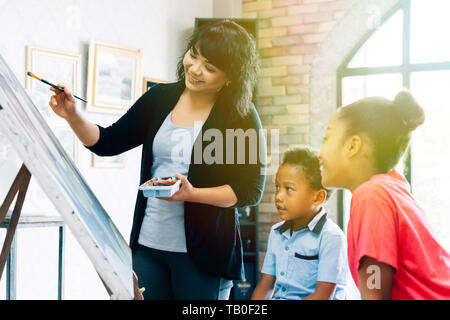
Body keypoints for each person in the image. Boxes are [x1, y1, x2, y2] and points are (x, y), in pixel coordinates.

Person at [48, 20, 266, 300]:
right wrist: (72, 116)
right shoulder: (160, 98)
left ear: (230, 77)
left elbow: (249, 190)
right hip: (148, 246)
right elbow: (107, 142)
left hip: (205, 255)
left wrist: (193, 194)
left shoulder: (240, 115)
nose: (195, 69)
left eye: (210, 67)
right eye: (194, 55)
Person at [319, 90, 450, 299]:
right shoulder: (393, 187)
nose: (319, 152)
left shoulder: (371, 197)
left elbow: (374, 293)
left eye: (326, 137)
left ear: (353, 145)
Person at [251, 147, 348, 300]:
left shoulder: (332, 237)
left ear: (317, 198)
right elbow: (265, 286)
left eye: (289, 189)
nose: (278, 196)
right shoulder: (276, 232)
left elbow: (323, 296)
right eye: (277, 187)